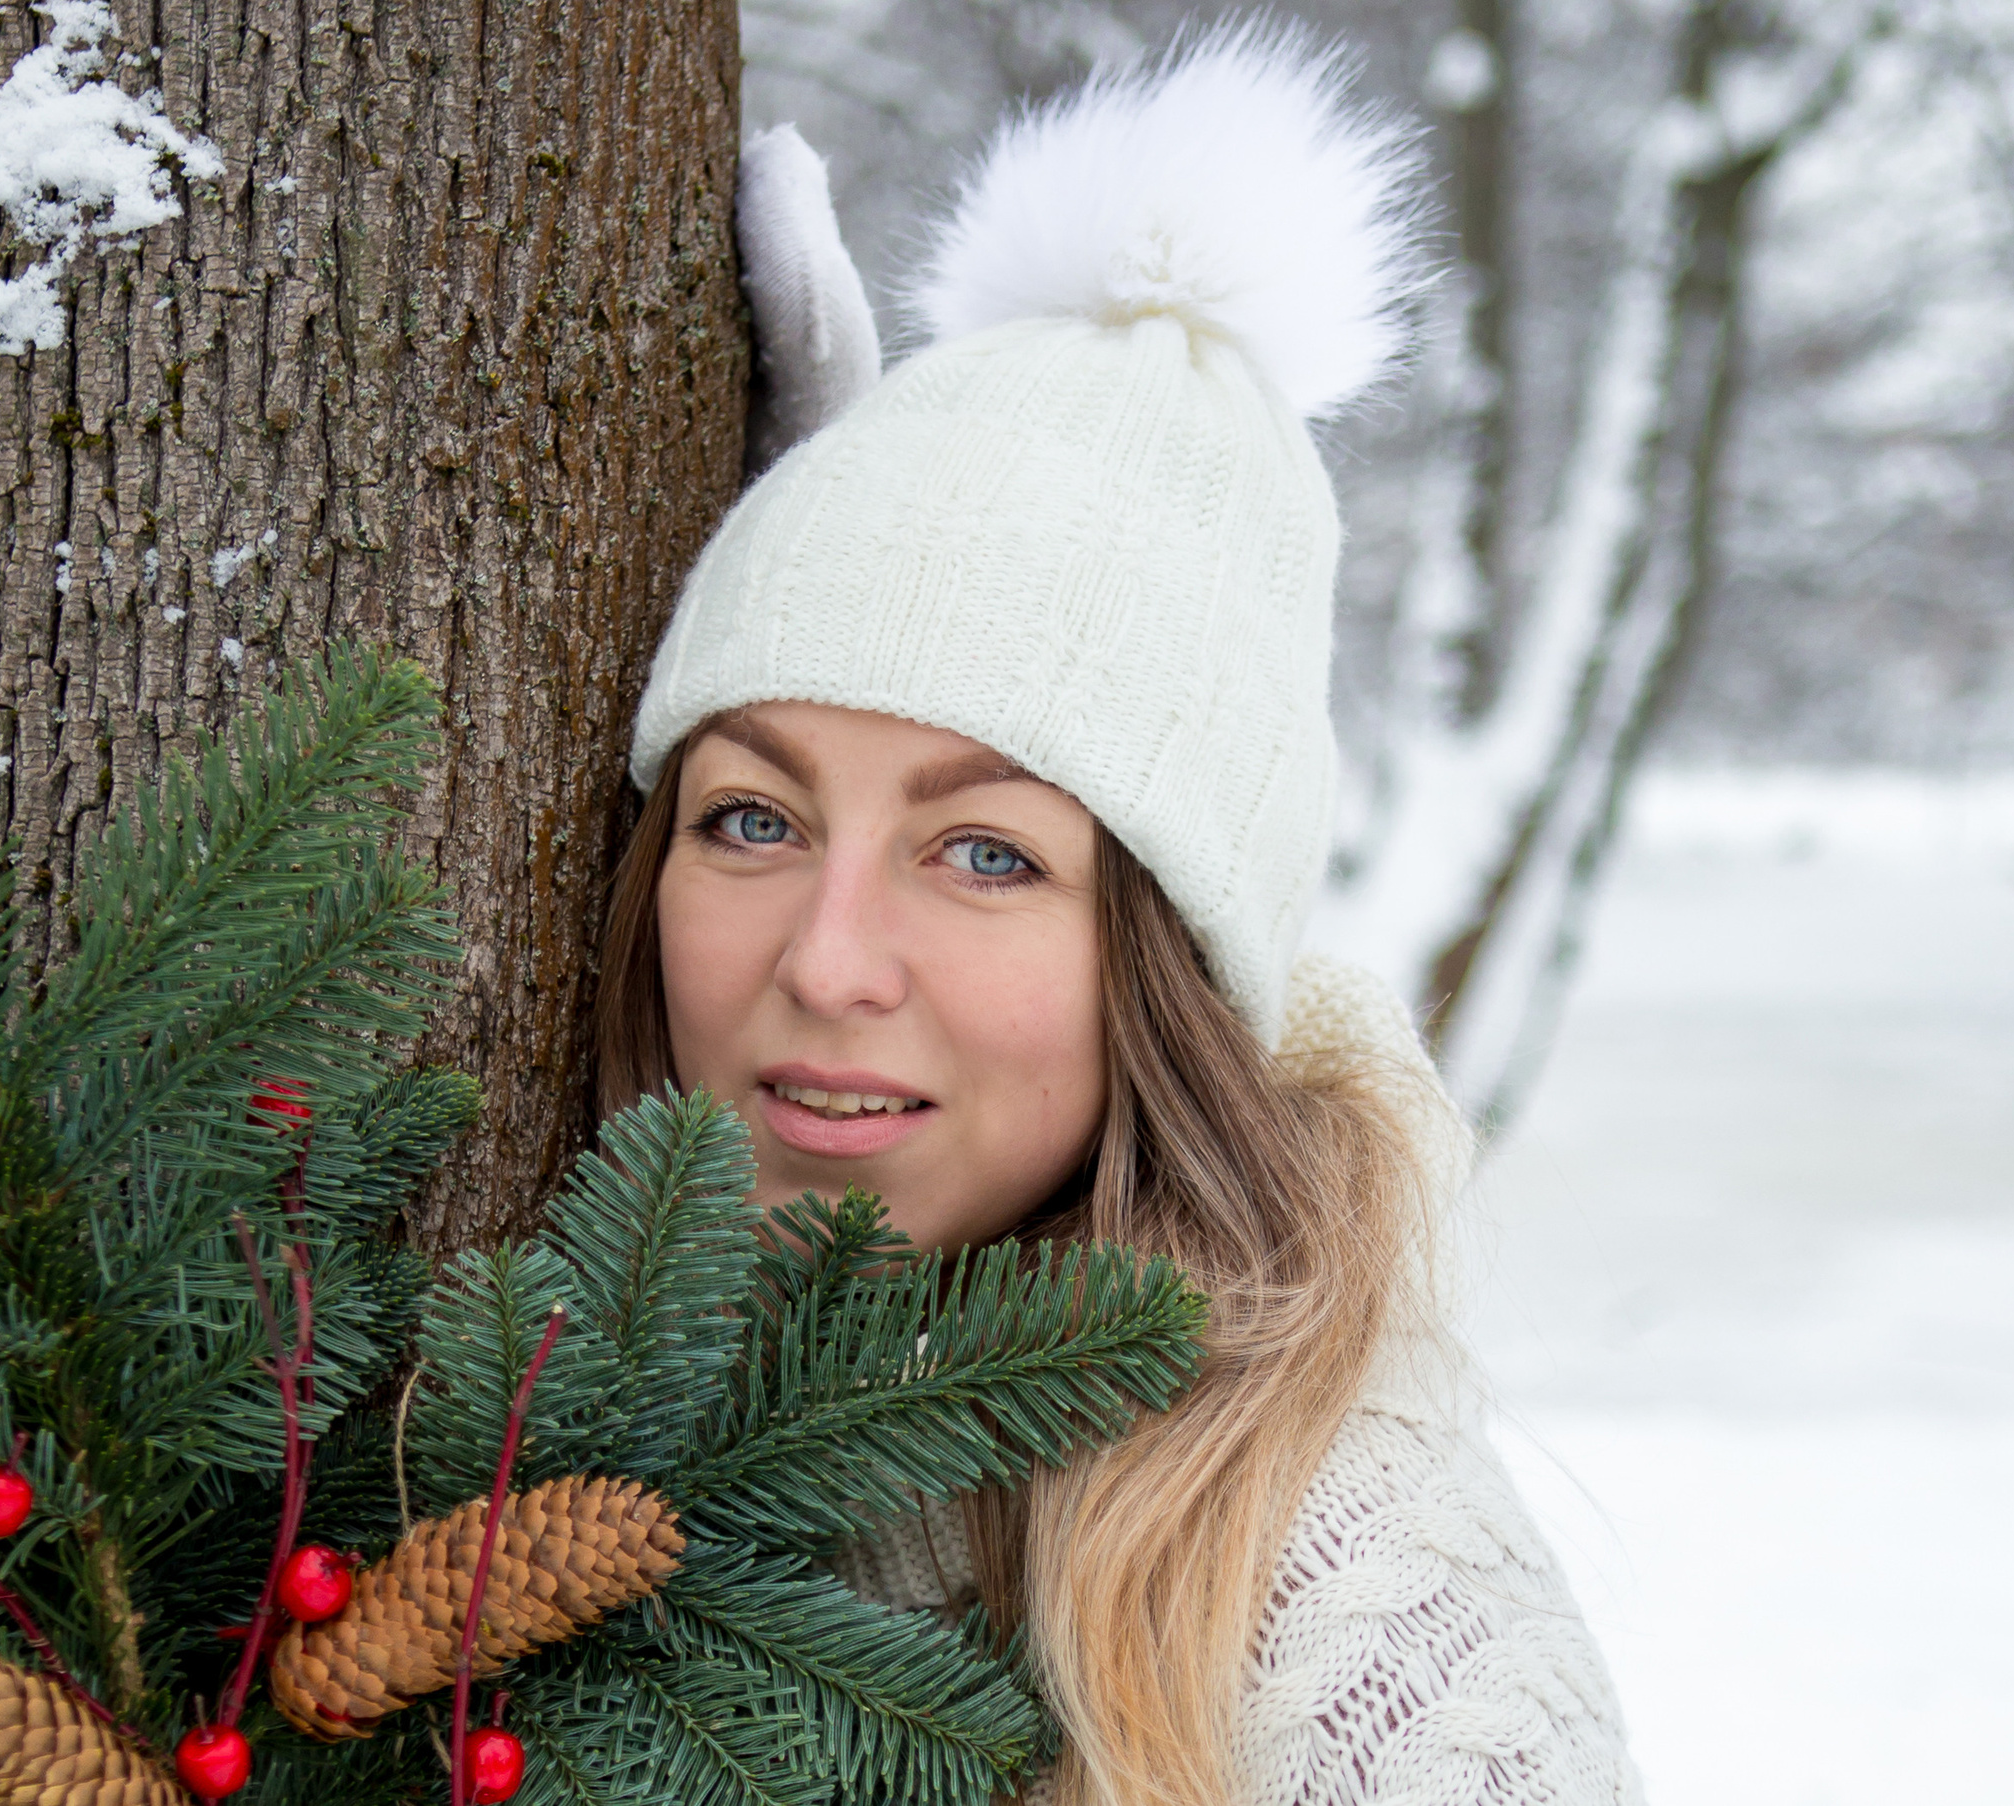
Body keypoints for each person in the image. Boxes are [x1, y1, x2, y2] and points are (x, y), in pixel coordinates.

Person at [593, 25, 1643, 1806]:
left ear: (1170, 959)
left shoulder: (1372, 1659)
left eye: (988, 852)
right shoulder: (533, 1401)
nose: (825, 960)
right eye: (754, 815)